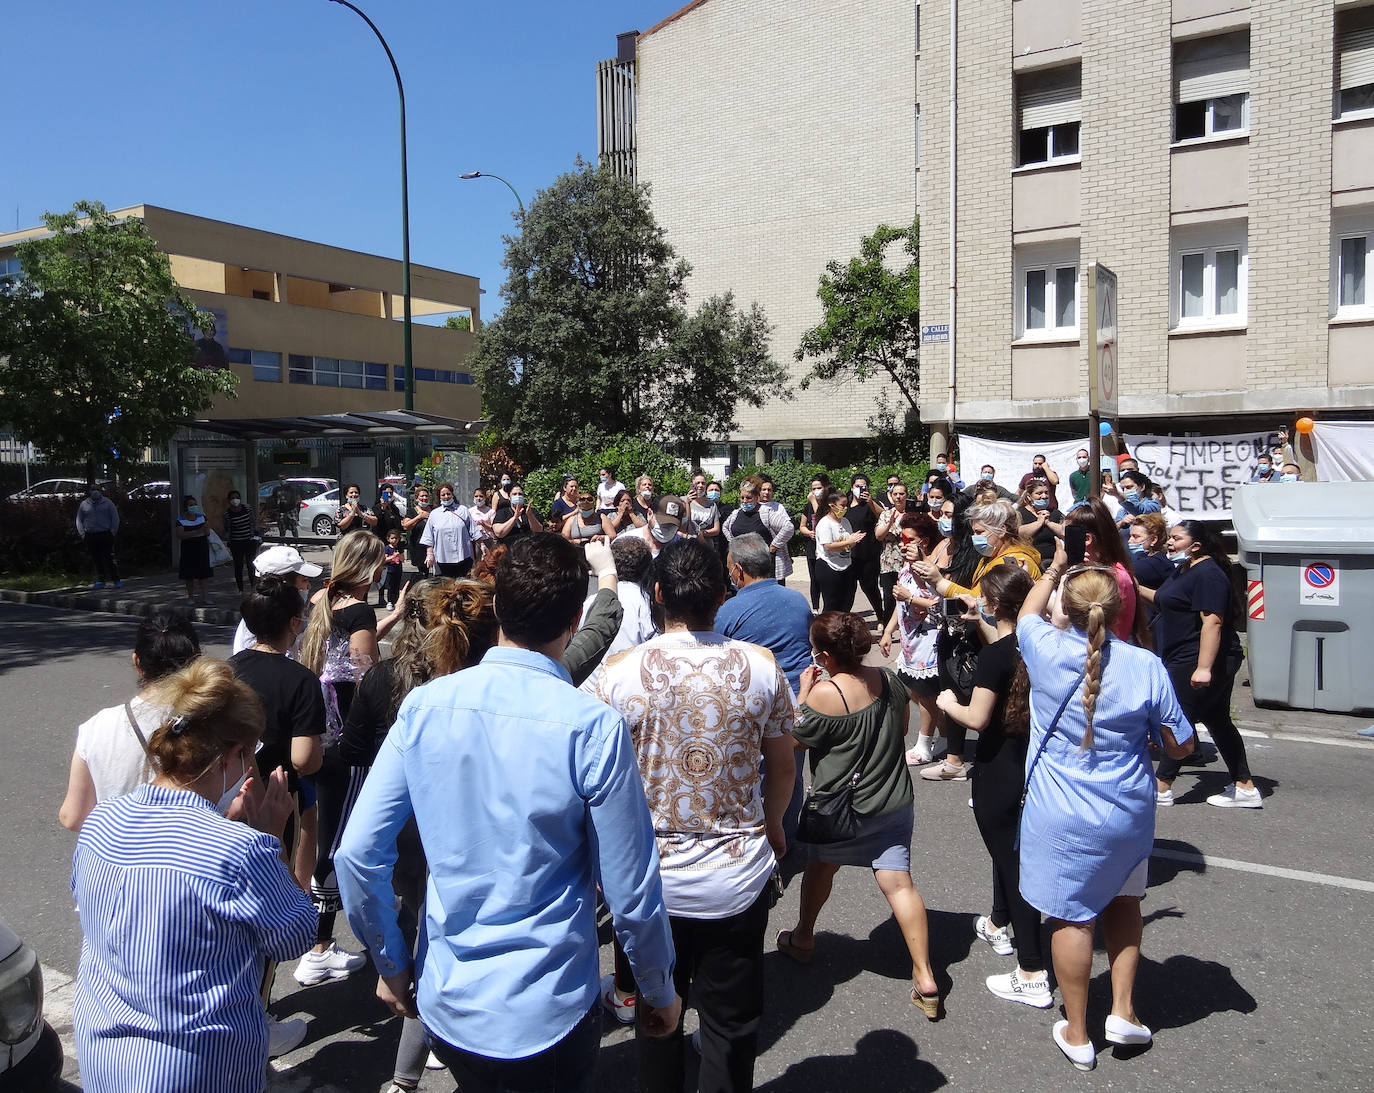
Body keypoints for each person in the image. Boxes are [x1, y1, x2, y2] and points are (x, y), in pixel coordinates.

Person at [336, 534, 681, 1093]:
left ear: (496, 606)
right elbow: (630, 889)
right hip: (550, 1002)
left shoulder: (424, 706)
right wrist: (657, 987)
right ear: (574, 620)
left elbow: (356, 853)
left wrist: (390, 962)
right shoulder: (593, 727)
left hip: (449, 995)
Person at [596, 538, 795, 1093]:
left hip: (648, 879)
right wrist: (774, 823)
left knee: (658, 1016)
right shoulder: (760, 666)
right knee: (731, 1024)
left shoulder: (618, 672)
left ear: (658, 593)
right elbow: (782, 767)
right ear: (722, 594)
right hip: (736, 873)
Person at [71, 659, 317, 1092]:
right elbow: (295, 936)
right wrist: (271, 838)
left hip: (103, 1053)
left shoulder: (102, 823)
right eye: (250, 756)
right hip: (196, 1065)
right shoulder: (239, 850)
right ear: (231, 756)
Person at [1015, 549, 1195, 1071]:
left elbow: (1026, 612)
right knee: (1124, 901)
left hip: (1060, 811)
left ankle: (1077, 1031)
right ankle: (1122, 1010)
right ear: (1120, 609)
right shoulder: (1146, 665)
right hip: (1126, 812)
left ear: (1066, 609)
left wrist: (1054, 568)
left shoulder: (1043, 647)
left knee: (1071, 916)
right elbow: (1181, 744)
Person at [337, 578, 498, 1093]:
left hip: (400, 834)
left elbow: (352, 753)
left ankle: (407, 1072)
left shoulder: (384, 678)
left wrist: (388, 961)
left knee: (422, 929)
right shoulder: (481, 688)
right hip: (463, 838)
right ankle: (422, 1057)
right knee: (442, 938)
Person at [778, 611, 942, 1021]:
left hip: (841, 807)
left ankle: (803, 937)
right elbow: (901, 730)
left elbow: (794, 741)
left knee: (821, 867)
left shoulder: (826, 693)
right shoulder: (890, 681)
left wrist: (803, 692)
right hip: (892, 800)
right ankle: (925, 976)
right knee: (899, 884)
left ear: (825, 656)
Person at [935, 565, 1053, 1008]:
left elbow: (977, 718)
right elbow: (1006, 646)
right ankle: (999, 922)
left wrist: (949, 702)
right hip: (1034, 761)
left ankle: (1032, 969)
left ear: (992, 602)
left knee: (1012, 862)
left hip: (997, 765)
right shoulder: (1040, 646)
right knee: (1009, 851)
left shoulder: (994, 658)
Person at [297, 531, 396, 989]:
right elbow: (364, 670)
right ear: (368, 568)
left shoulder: (321, 600)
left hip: (319, 729)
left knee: (327, 831)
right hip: (350, 736)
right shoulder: (358, 610)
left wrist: (392, 617)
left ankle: (322, 936)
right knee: (339, 842)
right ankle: (319, 946)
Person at [909, 500, 1041, 782]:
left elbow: (983, 600)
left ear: (1001, 530)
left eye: (980, 532)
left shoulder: (1013, 561)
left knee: (997, 714)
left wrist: (941, 583)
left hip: (1004, 642)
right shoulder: (991, 556)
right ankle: (958, 761)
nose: (975, 537)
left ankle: (1000, 777)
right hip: (987, 638)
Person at [1141, 520, 1260, 808]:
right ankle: (1244, 787)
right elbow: (1163, 600)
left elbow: (1212, 622)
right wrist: (1130, 584)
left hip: (1200, 658)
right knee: (1218, 721)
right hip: (1182, 655)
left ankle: (1161, 786)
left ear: (1196, 545)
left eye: (1176, 539)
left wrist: (1204, 668)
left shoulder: (1208, 574)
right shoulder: (1185, 569)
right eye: (1170, 538)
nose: (1170, 543)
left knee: (1179, 718)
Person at [59, 612, 201, 831]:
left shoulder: (97, 727)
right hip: (191, 848)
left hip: (116, 849)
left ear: (137, 662)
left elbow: (73, 817)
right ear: (198, 660)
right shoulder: (216, 720)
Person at [879, 514, 944, 766]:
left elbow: (939, 605)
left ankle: (924, 745)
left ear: (923, 542)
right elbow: (900, 604)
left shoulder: (931, 570)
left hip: (928, 641)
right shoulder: (905, 568)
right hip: (909, 642)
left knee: (926, 695)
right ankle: (946, 736)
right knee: (918, 694)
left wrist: (911, 598)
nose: (902, 544)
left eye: (908, 540)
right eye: (901, 539)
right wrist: (888, 632)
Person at [715, 532, 813, 696]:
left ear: (738, 569)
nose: (729, 575)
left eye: (729, 569)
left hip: (760, 698)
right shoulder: (799, 599)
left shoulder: (728, 611)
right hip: (803, 690)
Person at [578, 537, 658, 697]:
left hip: (589, 691)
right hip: (630, 694)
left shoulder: (591, 601)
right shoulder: (647, 605)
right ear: (648, 570)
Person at [1063, 501, 1141, 642]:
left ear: (1087, 539)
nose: (1064, 540)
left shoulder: (1113, 576)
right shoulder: (1098, 569)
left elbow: (1061, 619)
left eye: (1067, 535)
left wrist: (1057, 572)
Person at [230, 545, 324, 656]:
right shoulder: (261, 622)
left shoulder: (263, 613)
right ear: (284, 584)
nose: (308, 586)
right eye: (304, 580)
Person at [813, 489, 864, 613]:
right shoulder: (825, 523)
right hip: (828, 565)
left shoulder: (845, 522)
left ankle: (843, 624)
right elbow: (828, 546)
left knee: (847, 602)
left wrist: (854, 540)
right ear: (832, 506)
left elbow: (850, 543)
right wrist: (849, 541)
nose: (845, 508)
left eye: (846, 505)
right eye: (842, 505)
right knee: (832, 604)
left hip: (846, 564)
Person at [875, 481, 918, 622]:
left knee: (907, 594)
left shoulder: (912, 515)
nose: (898, 497)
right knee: (889, 598)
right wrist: (890, 522)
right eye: (895, 494)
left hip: (907, 561)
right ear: (891, 496)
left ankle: (906, 623)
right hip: (888, 562)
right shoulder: (885, 514)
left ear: (906, 495)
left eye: (901, 494)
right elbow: (879, 536)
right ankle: (888, 626)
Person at [844, 475, 884, 620]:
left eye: (863, 486)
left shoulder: (870, 504)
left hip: (869, 553)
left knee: (870, 587)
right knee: (848, 589)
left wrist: (870, 502)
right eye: (857, 486)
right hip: (849, 554)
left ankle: (881, 617)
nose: (860, 489)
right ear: (851, 488)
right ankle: (844, 619)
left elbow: (883, 516)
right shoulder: (845, 506)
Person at [421, 482, 478, 577]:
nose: (446, 497)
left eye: (448, 494)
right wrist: (429, 554)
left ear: (452, 494)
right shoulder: (434, 514)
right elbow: (428, 537)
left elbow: (474, 530)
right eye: (443, 495)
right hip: (443, 559)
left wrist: (482, 546)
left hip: (463, 557)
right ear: (439, 497)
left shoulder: (463, 510)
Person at [75, 485, 122, 590]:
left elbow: (115, 518)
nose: (95, 492)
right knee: (96, 559)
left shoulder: (108, 503)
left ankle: (116, 579)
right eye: (93, 490)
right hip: (91, 535)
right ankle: (101, 580)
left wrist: (112, 532)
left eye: (97, 490)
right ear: (89, 492)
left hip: (105, 534)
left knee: (109, 558)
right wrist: (82, 533)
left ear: (100, 491)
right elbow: (79, 520)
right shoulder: (84, 504)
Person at [796, 474, 831, 612]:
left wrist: (814, 501)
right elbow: (802, 526)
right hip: (812, 547)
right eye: (813, 488)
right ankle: (815, 609)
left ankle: (828, 608)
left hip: (827, 548)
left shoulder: (830, 503)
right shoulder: (808, 506)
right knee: (814, 579)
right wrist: (808, 532)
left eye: (819, 488)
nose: (816, 491)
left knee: (826, 579)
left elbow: (822, 519)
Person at [616, 493, 689, 557]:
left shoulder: (683, 548)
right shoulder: (624, 544)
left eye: (672, 525)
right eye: (663, 523)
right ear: (650, 514)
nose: (667, 528)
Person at [1016, 479, 1066, 566]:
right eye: (1039, 493)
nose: (1044, 496)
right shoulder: (1020, 514)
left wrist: (1048, 522)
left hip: (1053, 562)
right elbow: (1018, 534)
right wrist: (1038, 523)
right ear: (1029, 496)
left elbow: (1065, 533)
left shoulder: (1055, 513)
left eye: (1046, 493)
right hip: (1030, 561)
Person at [176, 494, 214, 606]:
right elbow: (181, 535)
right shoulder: (180, 520)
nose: (193, 507)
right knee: (189, 575)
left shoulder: (202, 517)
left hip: (201, 547)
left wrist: (197, 531)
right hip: (188, 549)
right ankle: (190, 597)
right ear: (186, 507)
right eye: (190, 505)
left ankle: (206, 597)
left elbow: (207, 531)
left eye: (195, 504)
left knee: (204, 574)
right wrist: (197, 531)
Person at [221, 489, 261, 594]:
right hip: (236, 543)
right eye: (233, 498)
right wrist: (228, 541)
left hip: (249, 541)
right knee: (238, 566)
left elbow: (253, 522)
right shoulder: (227, 514)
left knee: (251, 565)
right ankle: (240, 589)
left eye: (237, 497)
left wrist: (256, 535)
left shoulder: (247, 509)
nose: (235, 500)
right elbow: (227, 528)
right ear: (229, 500)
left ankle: (253, 588)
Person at [403, 486, 432, 579]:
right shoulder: (411, 511)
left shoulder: (434, 509)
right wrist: (419, 517)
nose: (424, 498)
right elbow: (406, 526)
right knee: (423, 572)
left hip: (433, 545)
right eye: (422, 496)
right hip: (419, 546)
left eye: (426, 496)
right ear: (416, 498)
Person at [383, 529, 406, 608]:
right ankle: (390, 601)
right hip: (390, 570)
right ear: (388, 539)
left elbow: (403, 560)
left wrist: (399, 555)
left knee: (396, 586)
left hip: (398, 570)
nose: (394, 540)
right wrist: (393, 556)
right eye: (392, 538)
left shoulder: (399, 548)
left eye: (396, 538)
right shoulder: (387, 548)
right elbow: (385, 559)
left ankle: (396, 601)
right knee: (390, 586)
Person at [470, 486, 495, 557]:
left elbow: (494, 529)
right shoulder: (470, 511)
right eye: (476, 496)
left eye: (481, 496)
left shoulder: (491, 511)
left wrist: (484, 524)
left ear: (485, 497)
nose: (478, 498)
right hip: (475, 541)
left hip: (488, 540)